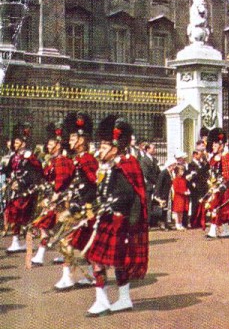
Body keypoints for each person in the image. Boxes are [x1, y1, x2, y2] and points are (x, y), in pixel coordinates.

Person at [85, 115, 148, 316]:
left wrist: (112, 208)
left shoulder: (126, 165)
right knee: (109, 260)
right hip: (107, 219)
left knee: (103, 259)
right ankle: (121, 299)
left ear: (115, 148)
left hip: (119, 221)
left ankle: (108, 301)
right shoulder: (108, 166)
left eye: (103, 147)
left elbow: (130, 195)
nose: (99, 151)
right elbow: (100, 191)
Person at [53, 112, 98, 290]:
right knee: (76, 242)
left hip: (85, 208)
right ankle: (80, 275)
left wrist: (84, 204)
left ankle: (69, 276)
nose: (70, 140)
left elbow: (95, 184)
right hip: (77, 206)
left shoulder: (87, 159)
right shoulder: (77, 159)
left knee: (69, 241)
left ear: (82, 140)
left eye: (73, 137)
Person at [30, 122, 75, 266]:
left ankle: (41, 256)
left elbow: (61, 182)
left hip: (60, 201)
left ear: (58, 145)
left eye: (50, 144)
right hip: (53, 199)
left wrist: (54, 197)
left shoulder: (61, 160)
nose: (48, 146)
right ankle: (61, 254)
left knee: (46, 226)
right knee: (57, 230)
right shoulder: (53, 160)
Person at [2, 122, 43, 253]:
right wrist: (9, 179)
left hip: (26, 190)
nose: (15, 144)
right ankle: (15, 241)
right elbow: (9, 170)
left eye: (18, 142)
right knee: (12, 213)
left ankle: (26, 241)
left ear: (23, 144)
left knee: (23, 215)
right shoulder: (14, 156)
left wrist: (21, 183)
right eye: (15, 142)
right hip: (14, 189)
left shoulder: (29, 156)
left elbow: (35, 172)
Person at [204, 127, 229, 238]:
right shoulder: (214, 158)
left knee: (217, 208)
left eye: (215, 145)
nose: (212, 147)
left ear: (221, 145)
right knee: (217, 208)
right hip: (214, 186)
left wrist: (222, 186)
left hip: (224, 188)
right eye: (212, 145)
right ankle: (226, 231)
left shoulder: (227, 157)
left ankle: (213, 231)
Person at [139, 142, 161, 228]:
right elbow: (146, 173)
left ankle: (154, 221)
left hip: (154, 184)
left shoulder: (154, 160)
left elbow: (158, 171)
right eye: (153, 148)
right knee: (147, 204)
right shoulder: (144, 160)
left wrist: (158, 182)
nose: (154, 150)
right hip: (148, 185)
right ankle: (147, 222)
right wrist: (155, 181)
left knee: (154, 204)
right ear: (147, 149)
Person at [154, 158, 176, 230]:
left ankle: (166, 223)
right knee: (163, 209)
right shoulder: (163, 173)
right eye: (173, 166)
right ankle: (162, 224)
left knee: (167, 209)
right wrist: (158, 195)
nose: (174, 167)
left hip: (168, 193)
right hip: (163, 194)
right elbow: (159, 184)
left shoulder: (170, 173)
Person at [171, 164, 190, 231]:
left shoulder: (183, 179)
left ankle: (180, 223)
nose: (182, 172)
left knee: (181, 211)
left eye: (183, 171)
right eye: (181, 171)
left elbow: (185, 187)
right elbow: (176, 189)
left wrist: (187, 190)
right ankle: (177, 224)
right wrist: (183, 192)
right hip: (178, 197)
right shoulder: (175, 179)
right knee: (178, 211)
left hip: (183, 197)